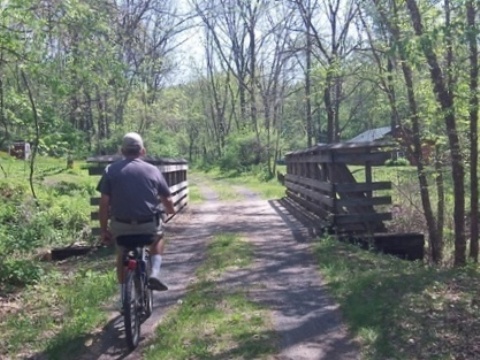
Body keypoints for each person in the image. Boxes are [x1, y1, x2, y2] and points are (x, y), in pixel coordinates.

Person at [96, 132, 175, 304]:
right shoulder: (153, 170)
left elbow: (104, 204)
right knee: (158, 238)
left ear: (121, 151)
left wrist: (103, 230)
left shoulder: (111, 171)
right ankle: (154, 272)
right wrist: (171, 211)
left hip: (121, 226)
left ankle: (122, 295)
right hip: (147, 226)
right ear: (143, 151)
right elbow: (167, 200)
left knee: (122, 252)